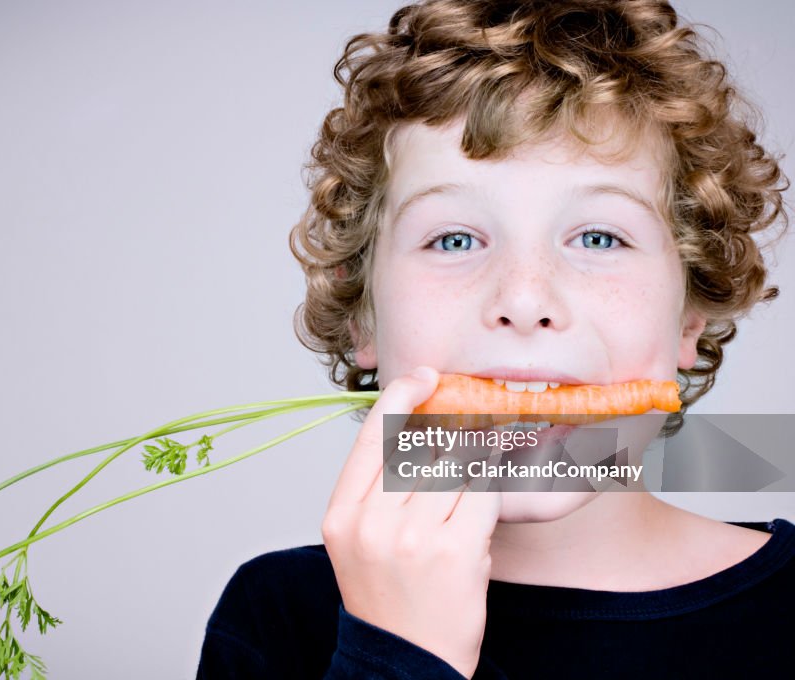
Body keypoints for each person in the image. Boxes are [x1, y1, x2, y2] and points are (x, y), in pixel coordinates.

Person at [197, 0, 793, 677]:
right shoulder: (278, 617)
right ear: (363, 315)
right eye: (454, 239)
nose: (524, 300)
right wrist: (396, 653)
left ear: (691, 317)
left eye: (599, 237)